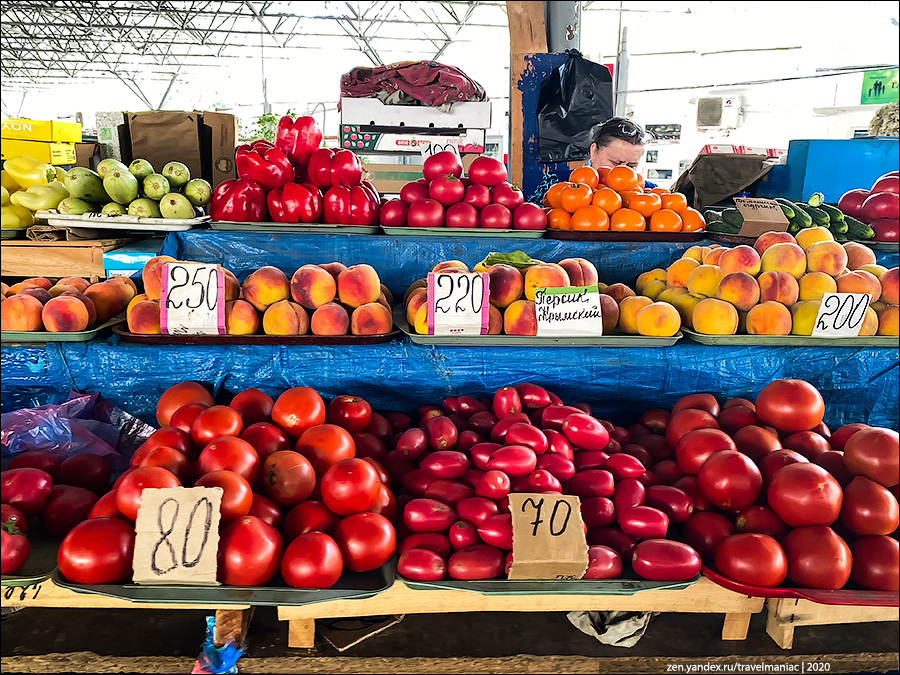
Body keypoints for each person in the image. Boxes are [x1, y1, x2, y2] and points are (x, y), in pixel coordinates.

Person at [588, 116, 657, 188]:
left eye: (631, 165)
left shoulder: (651, 192)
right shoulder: (575, 183)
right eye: (616, 163)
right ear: (594, 152)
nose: (623, 174)